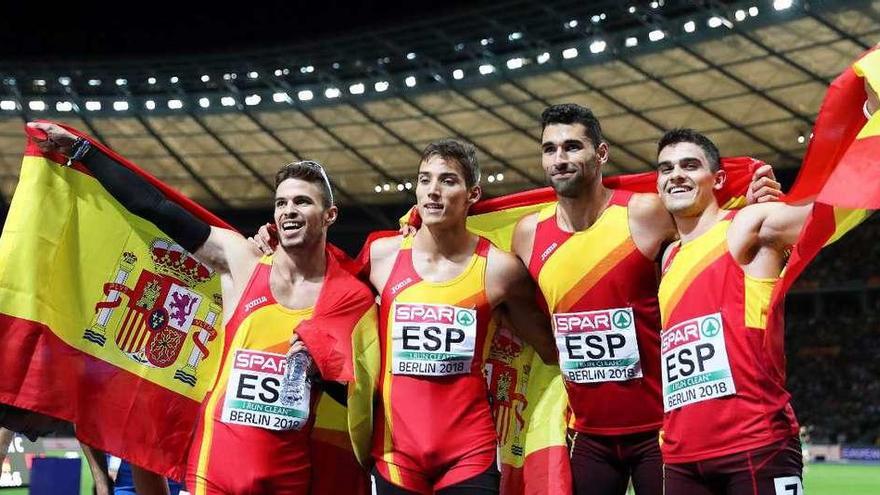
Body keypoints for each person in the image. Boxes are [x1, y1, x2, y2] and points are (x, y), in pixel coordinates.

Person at [28, 122, 377, 495]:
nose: (288, 211)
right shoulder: (242, 263)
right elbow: (157, 208)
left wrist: (319, 367)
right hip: (213, 472)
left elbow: (363, 396)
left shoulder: (350, 298)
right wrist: (84, 151)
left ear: (330, 216)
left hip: (291, 477)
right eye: (281, 203)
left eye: (302, 202)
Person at [508, 104, 780, 495]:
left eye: (571, 147)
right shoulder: (527, 234)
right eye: (549, 149)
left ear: (601, 154)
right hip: (587, 434)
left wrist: (749, 203)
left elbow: (706, 232)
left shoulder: (646, 212)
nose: (559, 158)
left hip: (663, 428)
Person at [367, 139, 556, 494]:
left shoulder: (500, 270)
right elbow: (323, 289)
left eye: (448, 181)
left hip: (469, 453)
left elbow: (549, 349)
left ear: (472, 193)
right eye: (425, 180)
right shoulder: (381, 257)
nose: (433, 191)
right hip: (394, 455)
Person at [654, 128, 821, 494]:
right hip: (681, 458)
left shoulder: (747, 224)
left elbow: (827, 213)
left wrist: (868, 136)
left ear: (718, 179)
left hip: (755, 445)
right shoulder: (669, 256)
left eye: (689, 165)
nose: (675, 174)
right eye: (665, 169)